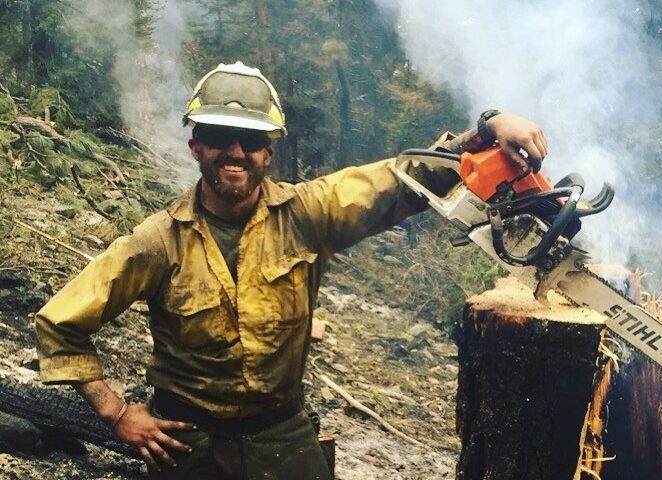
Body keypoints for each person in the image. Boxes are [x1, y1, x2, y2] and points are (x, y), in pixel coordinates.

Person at [34, 61, 548, 479]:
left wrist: (485, 130)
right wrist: (118, 413)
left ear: (268, 152)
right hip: (185, 444)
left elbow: (398, 180)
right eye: (219, 136)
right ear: (197, 147)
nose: (234, 151)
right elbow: (60, 324)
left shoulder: (307, 214)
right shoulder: (156, 241)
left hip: (280, 439)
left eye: (250, 140)